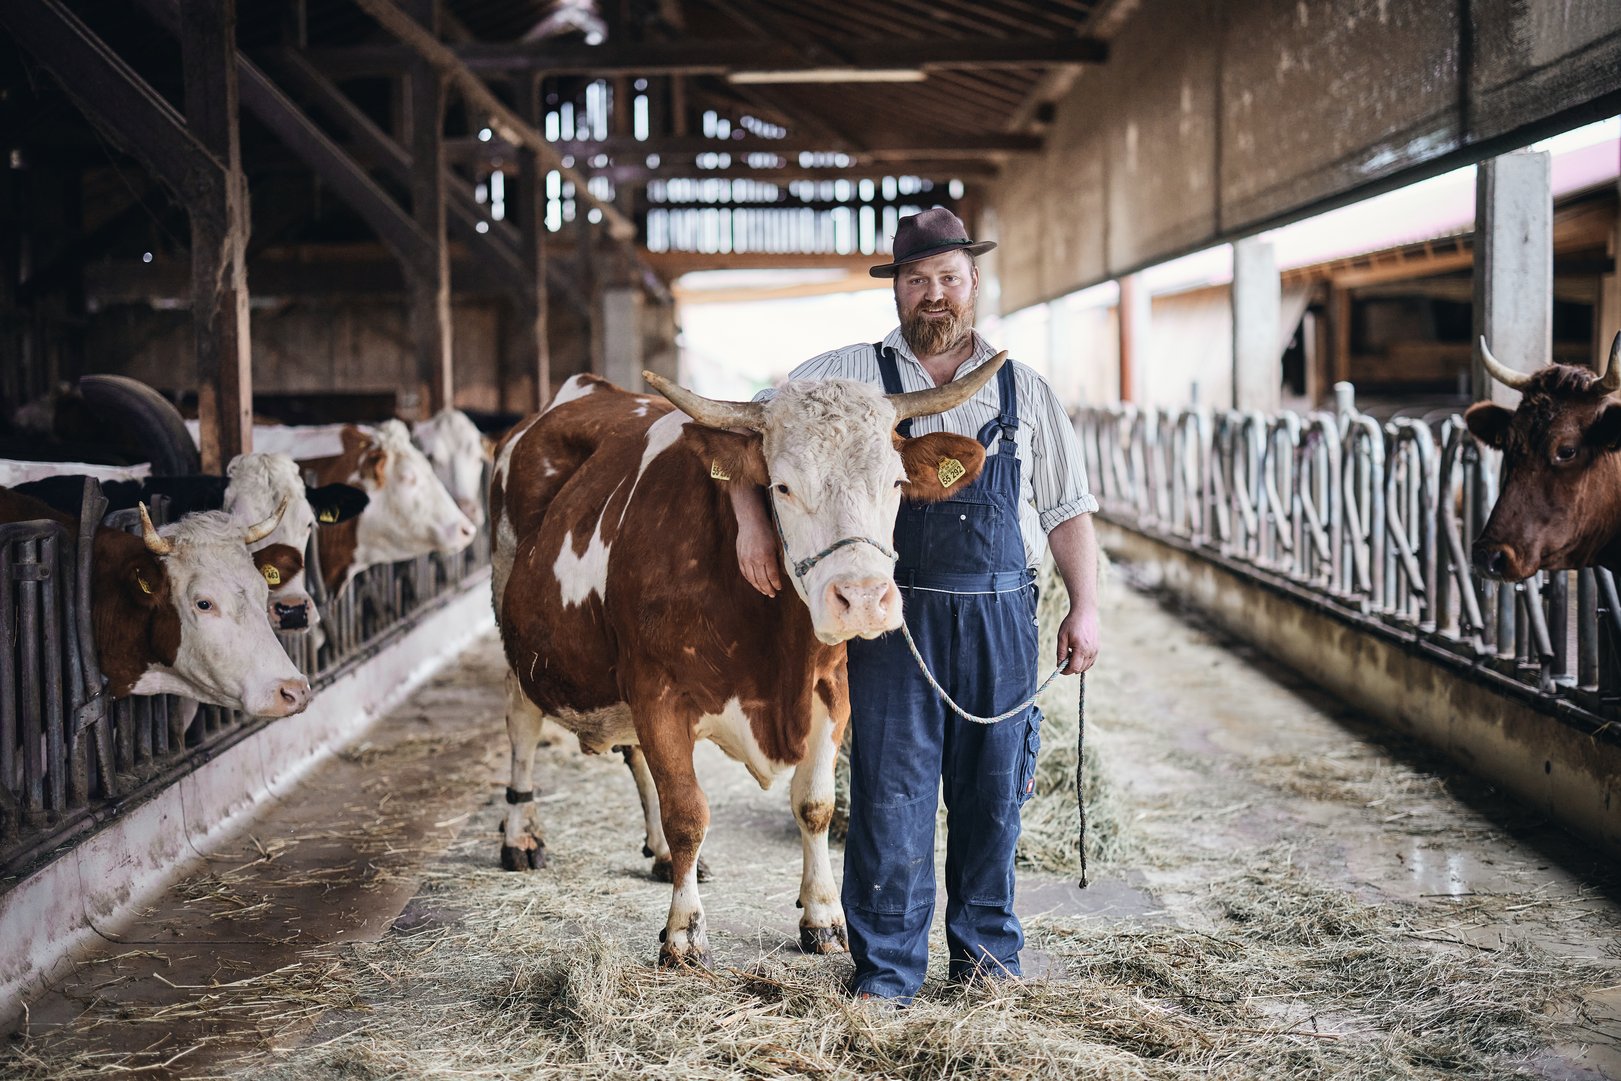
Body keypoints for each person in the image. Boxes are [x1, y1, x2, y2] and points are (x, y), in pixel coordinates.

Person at [729, 206, 1102, 1005]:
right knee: (892, 798)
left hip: (1001, 617)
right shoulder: (849, 372)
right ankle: (888, 975)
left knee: (992, 796)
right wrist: (749, 522)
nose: (933, 293)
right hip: (890, 615)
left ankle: (986, 966)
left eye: (948, 279)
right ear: (896, 290)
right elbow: (750, 425)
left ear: (971, 284)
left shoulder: (1021, 389)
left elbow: (1067, 509)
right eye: (916, 280)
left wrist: (1085, 608)